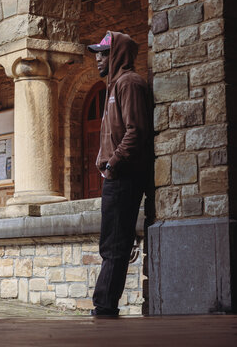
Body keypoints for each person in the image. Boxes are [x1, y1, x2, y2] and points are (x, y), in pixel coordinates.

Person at [87, 31, 152, 316]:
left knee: (114, 243)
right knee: (112, 242)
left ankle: (104, 307)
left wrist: (112, 164)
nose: (97, 59)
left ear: (117, 54)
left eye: (102, 53)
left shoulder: (129, 83)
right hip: (116, 176)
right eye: (97, 53)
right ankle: (104, 305)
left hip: (124, 177)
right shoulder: (115, 86)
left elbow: (136, 131)